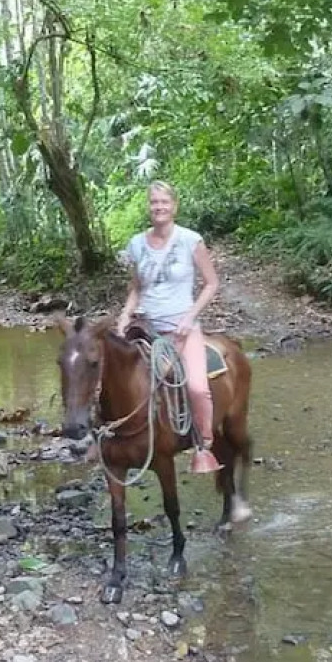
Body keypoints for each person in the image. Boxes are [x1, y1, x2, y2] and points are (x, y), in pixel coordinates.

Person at [116, 180, 222, 474]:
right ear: (148, 206)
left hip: (181, 328)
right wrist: (124, 317)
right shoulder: (137, 243)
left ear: (174, 206)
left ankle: (204, 444)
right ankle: (107, 438)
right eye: (154, 202)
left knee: (197, 388)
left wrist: (189, 317)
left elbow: (212, 284)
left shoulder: (191, 240)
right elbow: (136, 287)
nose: (159, 207)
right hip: (146, 327)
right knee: (110, 372)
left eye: (164, 202)